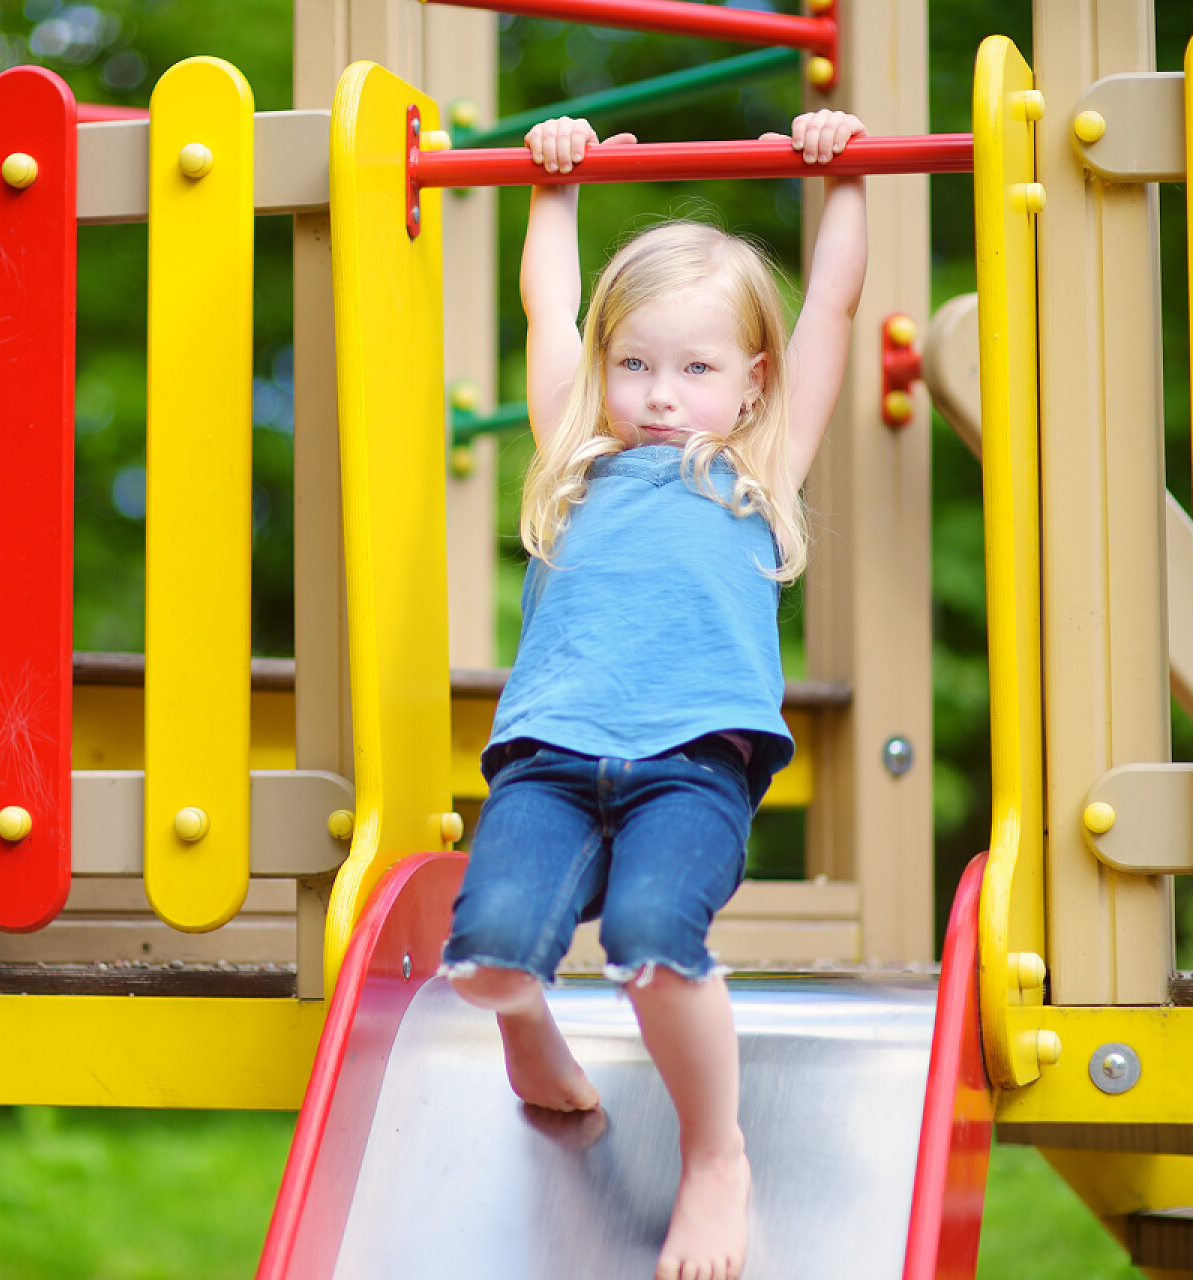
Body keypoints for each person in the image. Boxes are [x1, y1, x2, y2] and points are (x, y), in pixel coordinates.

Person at [438, 110, 869, 1280]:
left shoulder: (756, 474)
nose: (661, 392)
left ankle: (714, 1154)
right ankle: (530, 1035)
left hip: (692, 767)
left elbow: (830, 311)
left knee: (652, 939)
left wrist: (843, 178)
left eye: (696, 368)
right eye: (634, 363)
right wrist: (555, 186)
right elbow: (547, 309)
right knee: (486, 952)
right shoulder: (573, 462)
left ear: (752, 383)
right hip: (549, 759)